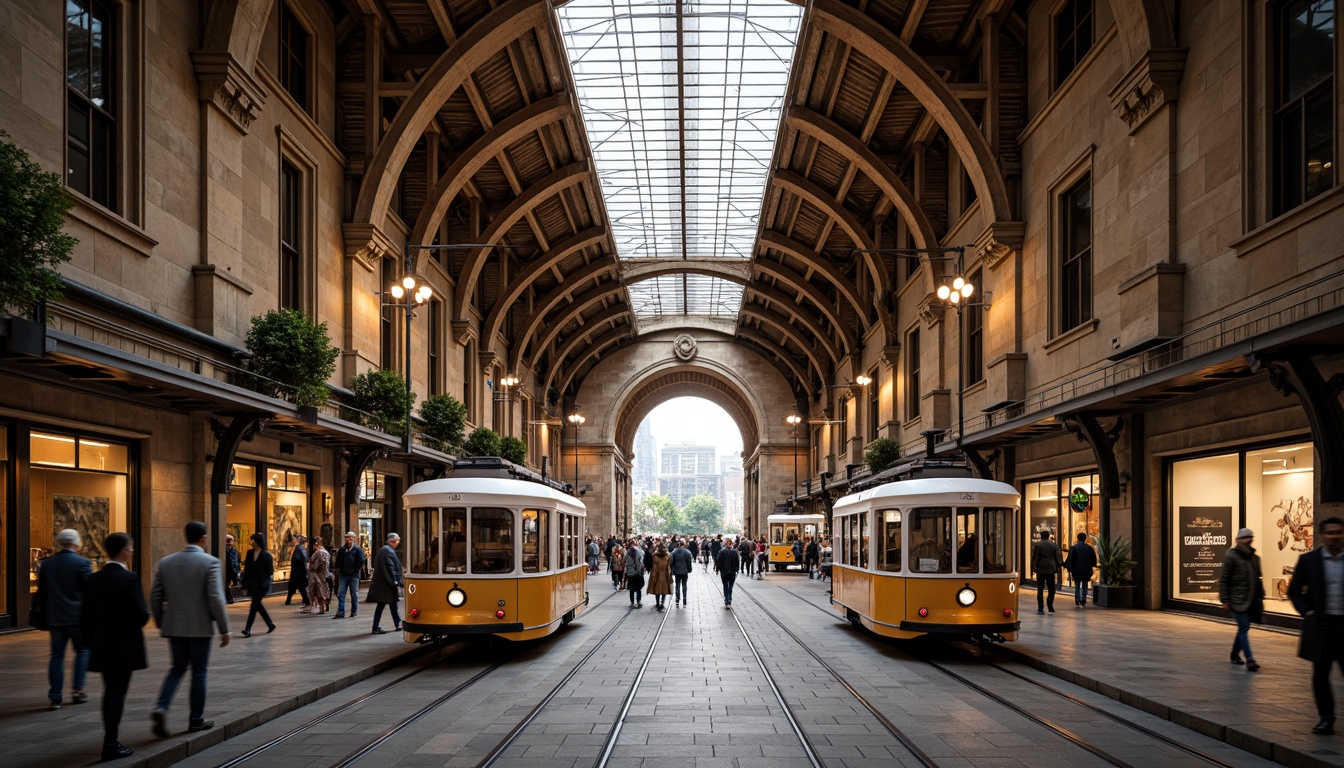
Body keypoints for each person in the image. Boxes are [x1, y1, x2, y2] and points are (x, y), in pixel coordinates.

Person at [150, 521, 230, 737]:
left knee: (177, 668)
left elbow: (155, 595)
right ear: (203, 537)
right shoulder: (210, 562)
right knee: (199, 672)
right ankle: (195, 719)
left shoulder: (166, 562)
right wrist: (225, 628)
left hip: (174, 626)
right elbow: (215, 598)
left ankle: (161, 706)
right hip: (199, 627)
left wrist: (160, 622)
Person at [81, 532, 148, 761]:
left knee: (110, 691)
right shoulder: (129, 579)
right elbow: (141, 615)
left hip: (101, 645)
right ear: (123, 550)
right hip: (124, 645)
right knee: (118, 692)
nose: (132, 551)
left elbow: (85, 615)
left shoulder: (93, 579)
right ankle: (110, 743)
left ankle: (110, 739)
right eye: (130, 548)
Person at [1289, 517, 1344, 734]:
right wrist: (1307, 611)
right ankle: (1326, 717)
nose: (1334, 536)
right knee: (1321, 674)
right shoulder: (1308, 560)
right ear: (1321, 535)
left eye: (1338, 532)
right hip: (1322, 625)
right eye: (1330, 533)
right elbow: (1294, 590)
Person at [35, 528, 92, 710]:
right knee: (82, 651)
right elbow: (89, 591)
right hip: (78, 618)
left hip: (55, 617)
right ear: (76, 543)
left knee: (57, 656)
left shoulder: (47, 564)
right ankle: (77, 689)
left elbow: (42, 591)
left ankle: (55, 696)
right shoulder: (83, 563)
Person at [1219, 527, 1264, 671]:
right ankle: (1250, 659)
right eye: (1245, 537)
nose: (1248, 540)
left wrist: (1261, 595)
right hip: (1237, 599)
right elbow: (1224, 579)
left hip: (1250, 600)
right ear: (1238, 540)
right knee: (1244, 627)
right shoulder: (1231, 556)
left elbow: (1258, 579)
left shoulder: (1255, 558)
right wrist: (1225, 600)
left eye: (1250, 537)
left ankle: (1234, 654)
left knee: (1244, 627)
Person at [240, 533, 276, 637]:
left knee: (254, 606)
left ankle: (247, 629)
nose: (251, 542)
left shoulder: (266, 555)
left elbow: (270, 571)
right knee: (257, 605)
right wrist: (244, 583)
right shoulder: (250, 553)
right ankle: (270, 624)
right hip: (252, 584)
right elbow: (246, 570)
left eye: (252, 540)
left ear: (257, 541)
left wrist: (261, 576)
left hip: (262, 585)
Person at [368, 533, 404, 634]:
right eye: (397, 541)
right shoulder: (389, 551)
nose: (398, 543)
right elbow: (390, 568)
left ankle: (397, 624)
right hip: (386, 585)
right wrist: (396, 582)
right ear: (393, 541)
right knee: (385, 605)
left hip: (384, 585)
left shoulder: (384, 550)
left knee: (391, 605)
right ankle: (376, 627)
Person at [333, 531, 366, 619]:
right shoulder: (342, 550)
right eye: (348, 538)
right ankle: (340, 612)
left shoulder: (358, 550)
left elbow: (361, 561)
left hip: (354, 575)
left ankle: (354, 611)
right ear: (345, 539)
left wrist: (355, 569)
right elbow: (338, 561)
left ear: (354, 539)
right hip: (343, 575)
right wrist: (337, 569)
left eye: (351, 538)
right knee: (341, 593)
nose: (349, 539)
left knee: (354, 594)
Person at [1030, 529, 1062, 614]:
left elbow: (1035, 558)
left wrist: (1033, 568)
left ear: (1041, 536)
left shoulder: (1038, 545)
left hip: (1040, 569)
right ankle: (1050, 605)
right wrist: (1058, 566)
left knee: (1040, 589)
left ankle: (1040, 607)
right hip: (1051, 569)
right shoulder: (1053, 545)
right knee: (1051, 588)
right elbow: (1057, 557)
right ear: (1048, 536)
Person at [1064, 532, 1098, 607]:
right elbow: (1093, 560)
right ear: (1085, 539)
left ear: (1077, 538)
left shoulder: (1074, 548)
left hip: (1076, 569)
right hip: (1086, 569)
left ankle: (1077, 599)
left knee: (1077, 584)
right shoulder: (1089, 548)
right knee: (1085, 584)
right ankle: (1083, 599)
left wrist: (1069, 568)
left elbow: (1070, 559)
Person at [307, 536, 332, 614]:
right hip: (324, 574)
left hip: (318, 575)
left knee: (319, 592)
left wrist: (310, 566)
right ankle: (325, 606)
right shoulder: (325, 552)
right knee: (324, 591)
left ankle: (322, 608)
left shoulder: (319, 552)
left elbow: (316, 565)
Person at [715, 538, 741, 608]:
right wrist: (737, 569)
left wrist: (718, 569)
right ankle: (729, 600)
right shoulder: (734, 552)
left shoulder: (722, 551)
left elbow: (717, 560)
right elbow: (737, 562)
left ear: (726, 543)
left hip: (724, 571)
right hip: (732, 572)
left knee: (725, 586)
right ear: (731, 543)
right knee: (730, 587)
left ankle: (726, 601)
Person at [285, 535, 309, 609]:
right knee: (301, 587)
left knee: (295, 587)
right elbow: (305, 559)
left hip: (296, 572)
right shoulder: (300, 549)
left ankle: (289, 600)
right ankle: (306, 601)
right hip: (299, 572)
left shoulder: (298, 549)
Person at [648, 543, 672, 612]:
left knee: (657, 589)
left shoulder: (655, 556)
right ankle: (662, 603)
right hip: (664, 574)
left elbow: (653, 566)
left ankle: (658, 603)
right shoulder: (668, 556)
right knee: (663, 589)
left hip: (658, 574)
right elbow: (669, 566)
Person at [670, 539, 694, 607]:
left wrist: (672, 570)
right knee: (684, 585)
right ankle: (684, 600)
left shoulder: (674, 552)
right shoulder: (687, 552)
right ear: (683, 545)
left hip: (677, 571)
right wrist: (689, 569)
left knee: (677, 585)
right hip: (684, 571)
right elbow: (689, 562)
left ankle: (677, 600)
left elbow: (671, 563)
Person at [624, 539, 646, 608]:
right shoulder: (640, 552)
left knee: (631, 589)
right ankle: (638, 601)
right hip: (637, 573)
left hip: (630, 573)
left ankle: (632, 602)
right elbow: (642, 563)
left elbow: (625, 562)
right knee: (638, 588)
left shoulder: (628, 553)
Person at [223, 535, 241, 605]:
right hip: (226, 570)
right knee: (227, 584)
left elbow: (236, 561)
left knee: (229, 584)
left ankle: (229, 596)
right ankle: (229, 596)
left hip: (232, 571)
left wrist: (237, 570)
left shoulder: (234, 551)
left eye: (231, 541)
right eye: (227, 541)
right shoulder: (224, 550)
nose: (229, 543)